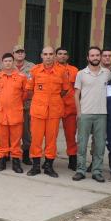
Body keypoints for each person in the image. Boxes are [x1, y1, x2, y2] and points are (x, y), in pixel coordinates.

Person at [26, 46, 69, 177]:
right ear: (41, 56)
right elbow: (29, 90)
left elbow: (65, 89)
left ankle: (49, 166)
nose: (48, 56)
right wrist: (41, 99)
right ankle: (36, 166)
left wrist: (53, 99)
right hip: (38, 110)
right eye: (46, 54)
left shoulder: (62, 71)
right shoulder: (34, 70)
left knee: (51, 140)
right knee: (36, 140)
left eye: (51, 54)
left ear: (54, 56)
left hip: (54, 111)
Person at [72, 47, 111, 182]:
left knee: (99, 145)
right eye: (92, 55)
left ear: (100, 57)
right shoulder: (81, 74)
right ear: (88, 58)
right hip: (85, 113)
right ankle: (80, 170)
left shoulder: (107, 73)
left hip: (102, 114)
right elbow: (76, 94)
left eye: (97, 55)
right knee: (82, 144)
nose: (95, 57)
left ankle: (97, 171)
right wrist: (78, 112)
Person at [0, 53, 27, 173]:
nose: (8, 63)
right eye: (5, 61)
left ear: (13, 62)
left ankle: (16, 162)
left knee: (16, 139)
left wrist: (14, 103)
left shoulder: (21, 77)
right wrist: (3, 102)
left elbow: (25, 93)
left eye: (10, 61)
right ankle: (1, 160)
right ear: (2, 63)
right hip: (1, 113)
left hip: (16, 112)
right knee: (2, 139)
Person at [56, 47, 79, 171]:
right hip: (54, 106)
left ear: (68, 56)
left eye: (65, 54)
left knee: (70, 135)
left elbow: (79, 89)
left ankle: (72, 159)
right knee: (51, 135)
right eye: (59, 54)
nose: (62, 56)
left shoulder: (74, 70)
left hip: (70, 107)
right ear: (56, 56)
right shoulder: (52, 69)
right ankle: (49, 159)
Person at [12, 45, 35, 164]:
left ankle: (26, 154)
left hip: (27, 105)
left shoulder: (32, 67)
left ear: (25, 54)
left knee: (26, 131)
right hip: (12, 105)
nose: (20, 54)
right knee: (12, 130)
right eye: (17, 52)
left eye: (22, 52)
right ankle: (10, 153)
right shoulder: (8, 66)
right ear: (13, 54)